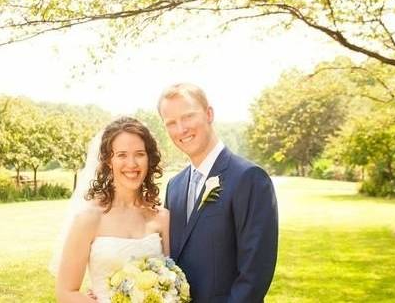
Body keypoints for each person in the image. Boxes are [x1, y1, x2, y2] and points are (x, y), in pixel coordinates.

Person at [159, 83, 278, 303]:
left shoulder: (249, 178)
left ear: (209, 114)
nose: (181, 129)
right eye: (171, 123)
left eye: (188, 117)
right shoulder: (173, 187)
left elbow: (254, 275)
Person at [55, 117, 170, 303]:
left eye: (139, 154)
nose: (132, 164)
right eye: (122, 155)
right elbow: (66, 292)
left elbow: (170, 278)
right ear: (109, 160)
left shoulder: (162, 218)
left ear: (149, 158)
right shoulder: (89, 218)